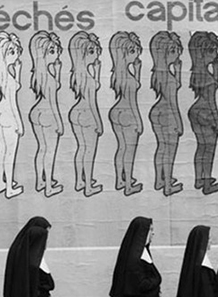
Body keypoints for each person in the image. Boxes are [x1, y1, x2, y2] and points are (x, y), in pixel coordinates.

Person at [68, 31, 104, 197]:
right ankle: (88, 186)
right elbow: (92, 102)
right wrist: (99, 123)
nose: (96, 54)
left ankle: (79, 181)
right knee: (89, 151)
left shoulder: (79, 74)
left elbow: (93, 88)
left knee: (81, 148)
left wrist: (97, 71)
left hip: (75, 112)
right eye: (92, 51)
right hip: (87, 114)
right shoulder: (87, 79)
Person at [0, 31, 24, 199]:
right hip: (7, 114)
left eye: (16, 51)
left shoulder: (0, 74)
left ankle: (0, 183)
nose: (16, 55)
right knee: (10, 153)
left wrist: (17, 71)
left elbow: (14, 87)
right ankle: (9, 188)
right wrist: (19, 124)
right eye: (11, 51)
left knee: (2, 150)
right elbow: (13, 103)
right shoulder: (8, 78)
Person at [149, 31, 184, 196]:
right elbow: (173, 102)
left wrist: (178, 71)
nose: (177, 54)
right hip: (167, 113)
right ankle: (168, 185)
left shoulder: (159, 73)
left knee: (162, 147)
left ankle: (159, 180)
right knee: (170, 151)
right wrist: (179, 123)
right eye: (173, 51)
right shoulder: (168, 78)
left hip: (156, 111)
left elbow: (175, 87)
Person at [29, 31, 64, 197]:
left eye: (56, 50)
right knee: (50, 151)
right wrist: (59, 123)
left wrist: (57, 71)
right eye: (52, 51)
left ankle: (39, 182)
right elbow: (53, 102)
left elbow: (54, 87)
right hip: (48, 114)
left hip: (36, 112)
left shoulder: (39, 75)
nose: (56, 54)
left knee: (42, 148)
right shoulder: (48, 79)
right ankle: (49, 187)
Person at [109, 31, 144, 196]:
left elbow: (133, 88)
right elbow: (133, 102)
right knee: (129, 151)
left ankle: (119, 180)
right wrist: (139, 122)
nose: (136, 54)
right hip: (128, 114)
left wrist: (137, 70)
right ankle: (129, 185)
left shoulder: (119, 73)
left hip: (116, 111)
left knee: (121, 148)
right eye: (133, 51)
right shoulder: (128, 79)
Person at [188, 32, 218, 195]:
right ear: (202, 52)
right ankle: (207, 184)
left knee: (201, 147)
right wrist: (217, 122)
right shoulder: (207, 77)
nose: (215, 54)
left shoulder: (198, 72)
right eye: (212, 51)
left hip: (195, 111)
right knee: (209, 150)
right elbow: (211, 102)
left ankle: (199, 179)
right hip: (205, 112)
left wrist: (216, 71)